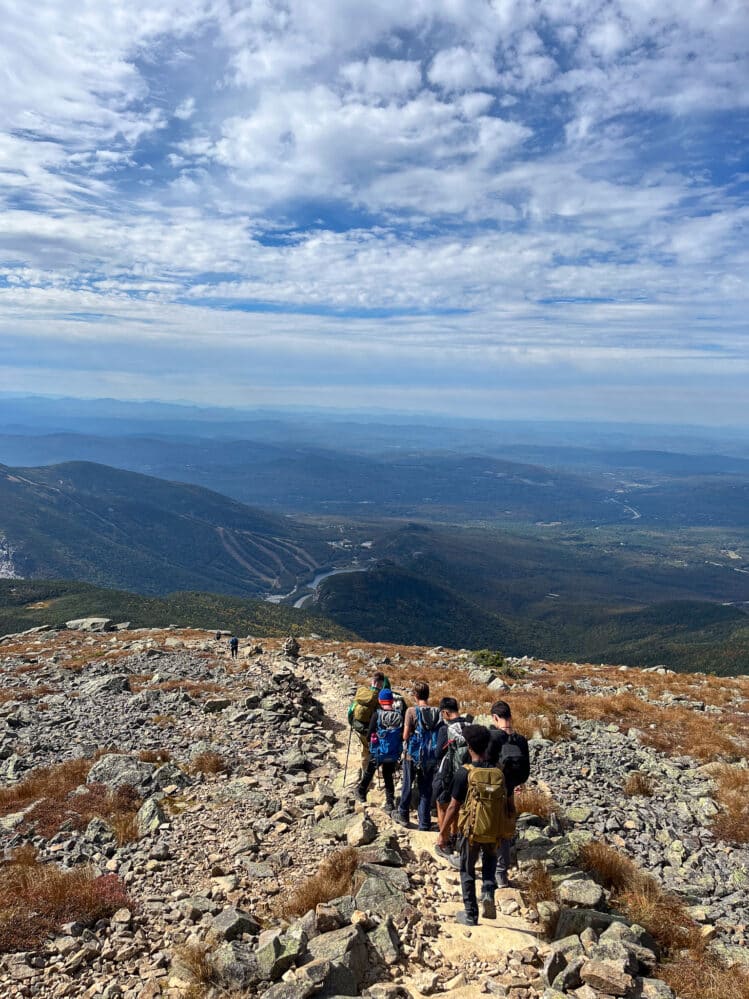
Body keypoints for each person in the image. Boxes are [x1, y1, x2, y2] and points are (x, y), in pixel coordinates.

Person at [436, 724, 515, 925]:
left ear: (469, 747)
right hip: (493, 830)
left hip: (470, 831)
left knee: (467, 870)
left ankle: (471, 914)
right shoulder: (500, 773)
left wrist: (443, 833)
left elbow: (453, 807)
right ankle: (488, 891)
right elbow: (509, 806)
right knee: (489, 863)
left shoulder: (464, 773)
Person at [487, 700, 530, 888]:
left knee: (486, 828)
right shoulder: (521, 740)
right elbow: (526, 771)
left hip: (491, 791)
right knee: (505, 832)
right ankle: (501, 875)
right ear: (510, 717)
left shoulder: (492, 737)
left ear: (495, 718)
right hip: (510, 791)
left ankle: (485, 868)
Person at [395, 680, 442, 830]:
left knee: (407, 785)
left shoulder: (411, 711)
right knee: (426, 789)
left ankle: (403, 815)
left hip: (412, 755)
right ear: (428, 695)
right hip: (430, 756)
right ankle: (424, 822)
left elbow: (405, 736)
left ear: (415, 695)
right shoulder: (437, 712)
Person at [432, 697, 472, 859]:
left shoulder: (445, 729)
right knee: (458, 805)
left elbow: (438, 753)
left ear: (445, 713)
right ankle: (456, 837)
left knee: (442, 805)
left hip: (449, 773)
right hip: (467, 773)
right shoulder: (470, 726)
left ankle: (444, 841)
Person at [355, 689, 404, 811]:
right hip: (392, 753)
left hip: (378, 751)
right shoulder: (399, 716)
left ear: (380, 700)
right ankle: (390, 803)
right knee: (388, 775)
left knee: (369, 772)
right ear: (391, 701)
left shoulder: (377, 714)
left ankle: (361, 792)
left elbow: (369, 734)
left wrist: (371, 739)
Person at [348, 671, 388, 778]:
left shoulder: (362, 691)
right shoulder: (380, 696)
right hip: (372, 729)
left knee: (364, 749)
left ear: (372, 681)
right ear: (381, 683)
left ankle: (364, 771)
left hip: (359, 726)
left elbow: (352, 708)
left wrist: (351, 722)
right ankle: (375, 772)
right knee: (375, 749)